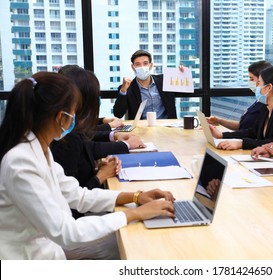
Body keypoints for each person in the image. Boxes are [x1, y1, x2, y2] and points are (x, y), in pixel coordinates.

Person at [0, 72, 175, 259]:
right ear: (61, 117)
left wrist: (136, 196)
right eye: (75, 110)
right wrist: (136, 214)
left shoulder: (39, 149)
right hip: (34, 257)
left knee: (129, 236)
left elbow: (78, 195)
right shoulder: (20, 162)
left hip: (50, 245)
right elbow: (67, 233)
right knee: (130, 243)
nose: (76, 118)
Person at [52, 66, 144, 194]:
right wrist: (101, 175)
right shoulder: (65, 135)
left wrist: (97, 167)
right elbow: (72, 198)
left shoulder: (67, 129)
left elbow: (86, 149)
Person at [209, 65, 273, 150]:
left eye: (260, 83)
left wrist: (241, 144)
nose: (257, 87)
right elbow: (252, 132)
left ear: (269, 87)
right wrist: (221, 135)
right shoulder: (266, 106)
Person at [206, 60, 272, 130]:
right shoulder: (258, 101)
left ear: (262, 80)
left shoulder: (268, 106)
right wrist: (219, 121)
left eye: (252, 79)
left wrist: (223, 135)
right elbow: (242, 126)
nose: (249, 82)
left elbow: (255, 135)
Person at [113, 49, 178, 120]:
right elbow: (118, 114)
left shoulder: (165, 80)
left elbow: (186, 88)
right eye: (137, 64)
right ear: (133, 67)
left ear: (151, 65)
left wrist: (183, 73)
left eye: (145, 63)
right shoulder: (127, 88)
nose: (142, 67)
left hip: (166, 126)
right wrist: (123, 90)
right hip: (141, 128)